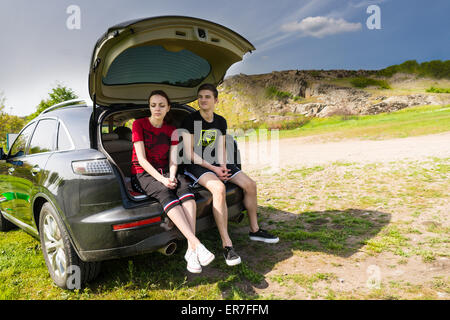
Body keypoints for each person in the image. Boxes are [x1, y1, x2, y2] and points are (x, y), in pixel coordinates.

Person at [180, 83, 279, 267]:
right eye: (200, 96)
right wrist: (215, 170)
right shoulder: (190, 120)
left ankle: (255, 230)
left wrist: (224, 166)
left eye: (207, 96)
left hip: (217, 162)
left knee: (250, 185)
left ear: (216, 100)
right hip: (195, 164)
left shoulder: (220, 121)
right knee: (219, 188)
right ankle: (227, 245)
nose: (203, 100)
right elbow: (189, 152)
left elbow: (221, 147)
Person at [131, 90, 215, 273]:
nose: (157, 109)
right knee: (165, 192)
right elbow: (142, 160)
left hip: (167, 170)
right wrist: (162, 180)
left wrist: (171, 175)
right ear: (149, 107)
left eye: (161, 105)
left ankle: (190, 252)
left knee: (187, 192)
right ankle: (195, 244)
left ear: (168, 108)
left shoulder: (172, 131)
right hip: (142, 174)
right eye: (153, 105)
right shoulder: (139, 125)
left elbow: (173, 159)